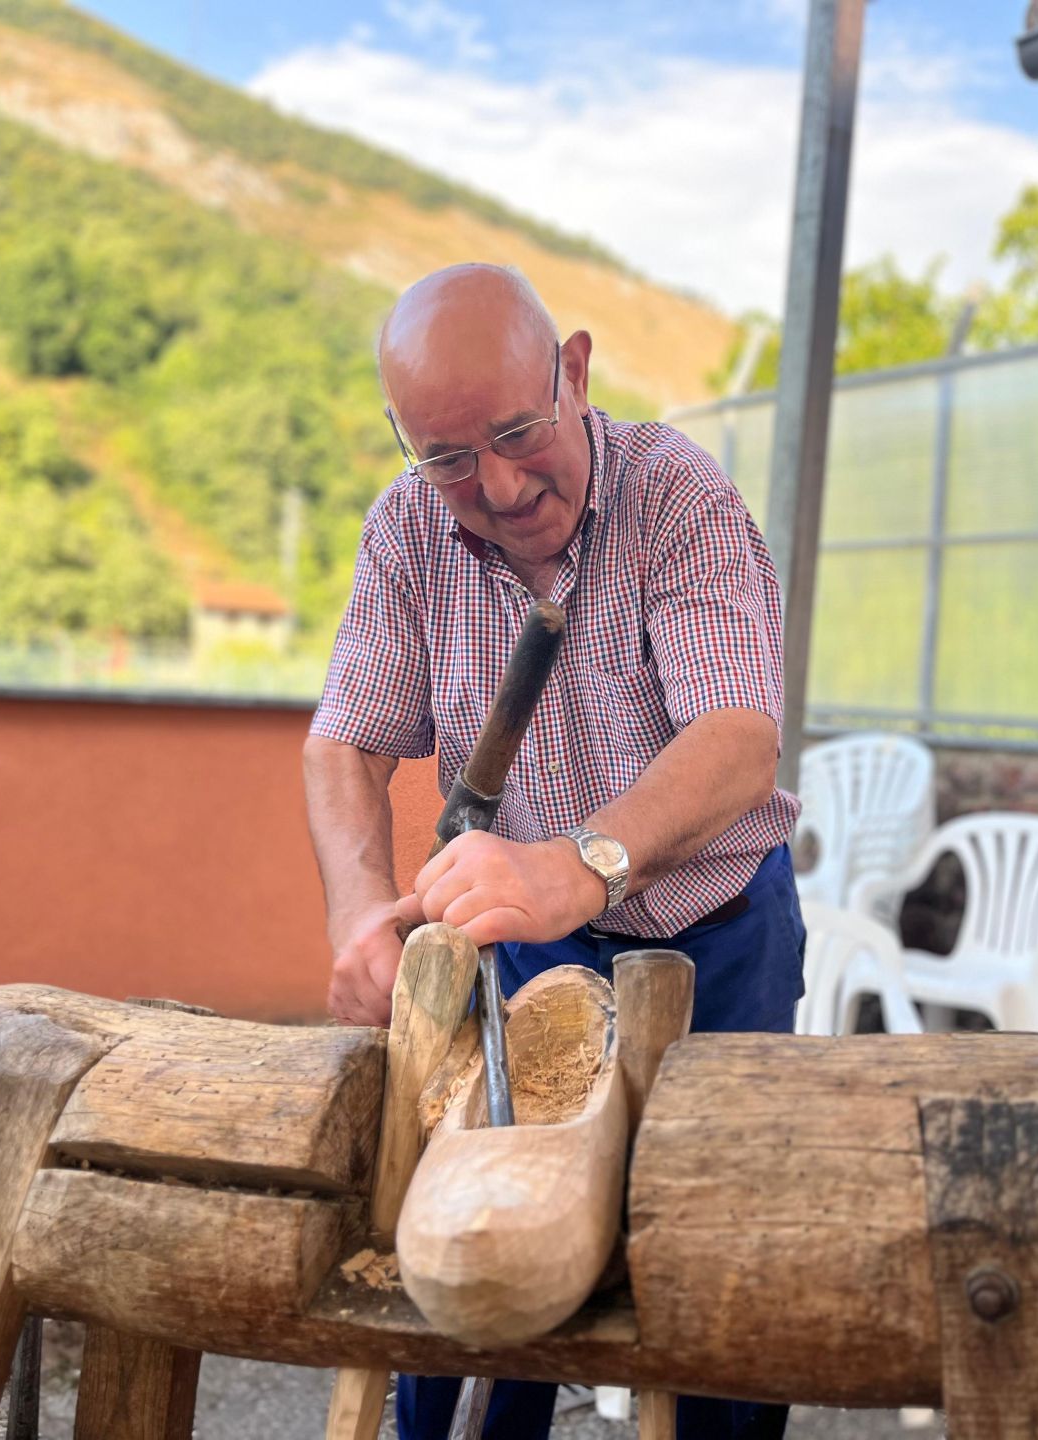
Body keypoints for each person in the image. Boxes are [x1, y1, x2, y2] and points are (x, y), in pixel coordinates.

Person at [304, 264, 802, 1440]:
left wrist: (574, 864)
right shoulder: (407, 524)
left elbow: (737, 739)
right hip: (529, 947)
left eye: (521, 433)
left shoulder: (676, 493)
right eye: (450, 458)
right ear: (405, 442)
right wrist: (359, 914)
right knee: (471, 1262)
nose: (502, 486)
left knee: (712, 1276)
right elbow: (344, 746)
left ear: (573, 371)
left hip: (716, 934)